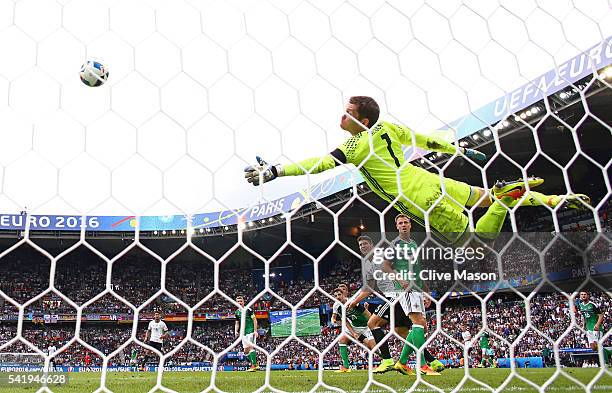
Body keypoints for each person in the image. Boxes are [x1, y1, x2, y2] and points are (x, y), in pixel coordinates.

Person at [244, 96, 590, 245]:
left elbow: (317, 164)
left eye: (347, 112)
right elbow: (427, 140)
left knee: (479, 242)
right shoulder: (389, 129)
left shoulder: (355, 145)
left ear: (362, 121)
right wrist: (459, 148)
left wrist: (276, 171)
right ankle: (558, 199)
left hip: (417, 196)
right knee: (483, 197)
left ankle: (505, 199)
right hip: (427, 178)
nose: (342, 115)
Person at [349, 232, 444, 375]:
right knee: (403, 332)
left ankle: (387, 360)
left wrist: (423, 290)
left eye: (365, 244)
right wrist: (355, 301)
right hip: (393, 296)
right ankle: (430, 361)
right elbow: (369, 288)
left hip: (397, 295)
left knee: (372, 323)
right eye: (360, 245)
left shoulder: (381, 258)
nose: (363, 246)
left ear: (372, 245)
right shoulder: (368, 265)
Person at [331, 287, 376, 373]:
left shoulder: (353, 302)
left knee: (373, 347)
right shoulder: (337, 306)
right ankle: (346, 367)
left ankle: (380, 364)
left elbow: (367, 314)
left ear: (344, 294)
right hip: (354, 327)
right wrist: (353, 333)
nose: (337, 297)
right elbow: (345, 321)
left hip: (366, 327)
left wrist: (373, 325)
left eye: (339, 294)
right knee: (342, 339)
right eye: (335, 296)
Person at [577, 292, 610, 365]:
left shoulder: (592, 305)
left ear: (588, 295)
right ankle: (609, 353)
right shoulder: (580, 305)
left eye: (585, 294)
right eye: (582, 294)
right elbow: (584, 316)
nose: (583, 296)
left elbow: (601, 315)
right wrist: (583, 326)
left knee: (598, 345)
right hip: (588, 328)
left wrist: (597, 325)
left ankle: (606, 363)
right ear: (580, 296)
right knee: (593, 348)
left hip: (595, 328)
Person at [235, 296, 259, 372]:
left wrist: (255, 330)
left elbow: (254, 320)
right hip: (243, 333)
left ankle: (253, 366)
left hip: (250, 331)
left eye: (241, 301)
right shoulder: (237, 312)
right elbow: (237, 323)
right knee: (245, 351)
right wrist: (236, 331)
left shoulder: (248, 309)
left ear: (243, 302)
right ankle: (256, 364)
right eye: (238, 301)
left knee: (251, 347)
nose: (239, 302)